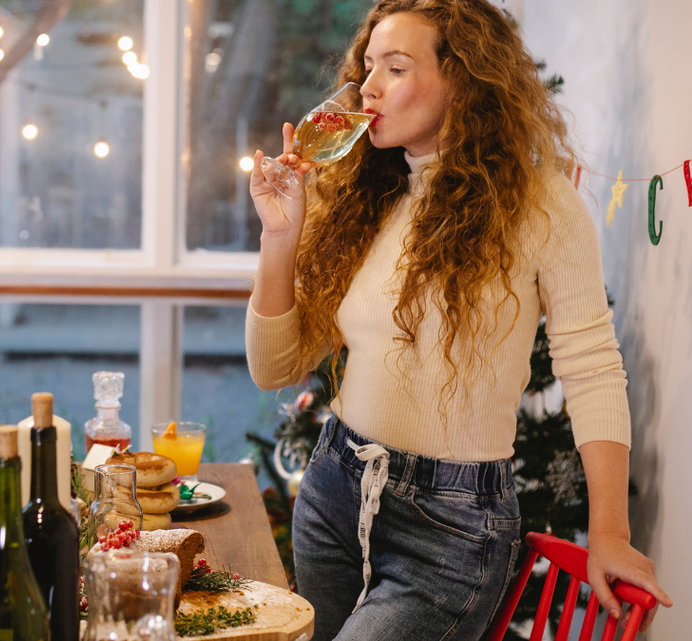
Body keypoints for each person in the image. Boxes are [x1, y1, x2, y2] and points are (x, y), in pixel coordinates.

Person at [245, 1, 671, 639]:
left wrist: (610, 532)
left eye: (395, 67)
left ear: (463, 79)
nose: (368, 88)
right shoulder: (365, 194)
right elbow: (272, 368)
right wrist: (279, 239)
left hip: (450, 532)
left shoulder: (540, 203)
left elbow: (592, 368)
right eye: (367, 68)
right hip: (334, 490)